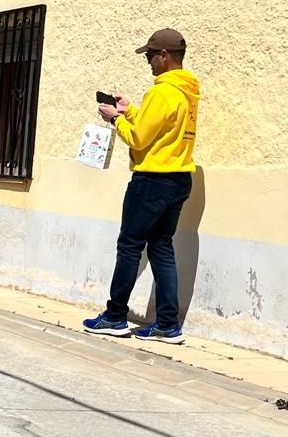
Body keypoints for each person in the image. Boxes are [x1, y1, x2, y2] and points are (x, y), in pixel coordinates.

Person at [82, 28, 201, 344]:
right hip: (179, 179)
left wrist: (113, 118)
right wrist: (131, 111)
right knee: (161, 246)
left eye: (150, 55)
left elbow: (138, 138)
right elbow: (160, 129)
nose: (147, 62)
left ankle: (114, 316)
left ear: (164, 56)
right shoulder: (187, 92)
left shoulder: (161, 92)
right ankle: (166, 325)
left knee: (130, 245)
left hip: (152, 181)